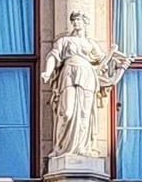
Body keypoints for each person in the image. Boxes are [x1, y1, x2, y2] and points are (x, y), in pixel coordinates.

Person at [39, 12, 130, 158]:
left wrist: (114, 56)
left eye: (78, 20)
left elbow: (103, 62)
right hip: (69, 73)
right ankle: (61, 147)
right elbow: (53, 56)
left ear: (85, 23)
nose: (76, 23)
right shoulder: (64, 41)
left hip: (87, 75)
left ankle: (83, 148)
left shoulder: (91, 44)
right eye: (74, 20)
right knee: (67, 112)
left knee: (85, 113)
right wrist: (48, 72)